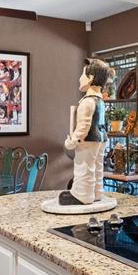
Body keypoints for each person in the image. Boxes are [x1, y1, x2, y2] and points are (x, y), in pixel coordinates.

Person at [58, 58, 114, 206]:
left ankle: (82, 195)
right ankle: (96, 192)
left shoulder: (87, 101)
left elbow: (83, 127)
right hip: (101, 139)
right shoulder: (100, 101)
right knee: (97, 166)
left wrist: (71, 142)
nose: (79, 78)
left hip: (88, 140)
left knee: (84, 165)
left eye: (83, 74)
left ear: (90, 78)